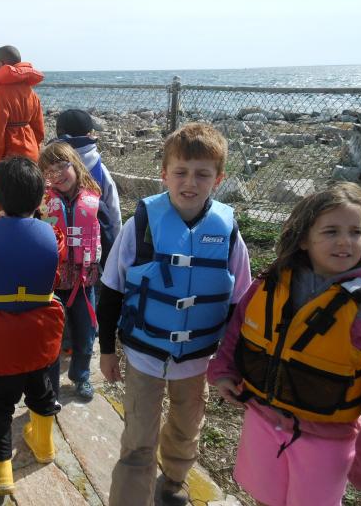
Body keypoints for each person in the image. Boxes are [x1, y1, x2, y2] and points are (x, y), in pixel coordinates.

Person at [208, 182, 361, 506]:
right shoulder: (272, 282)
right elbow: (238, 332)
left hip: (326, 440)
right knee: (264, 498)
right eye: (331, 231)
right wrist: (222, 372)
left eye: (355, 232)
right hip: (262, 422)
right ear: (304, 238)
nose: (345, 241)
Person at [97, 123, 252, 506]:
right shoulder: (141, 225)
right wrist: (106, 350)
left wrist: (231, 364)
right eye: (180, 172)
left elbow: (239, 304)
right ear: (164, 174)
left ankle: (173, 483)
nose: (190, 183)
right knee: (138, 437)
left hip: (197, 359)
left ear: (219, 179)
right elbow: (112, 289)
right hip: (144, 356)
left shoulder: (229, 231)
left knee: (186, 429)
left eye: (202, 174)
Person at [0, 157, 65, 497]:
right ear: (39, 201)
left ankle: (1, 468)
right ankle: (44, 444)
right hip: (40, 337)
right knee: (42, 389)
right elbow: (58, 254)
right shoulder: (52, 234)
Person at [39, 141, 102, 402]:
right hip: (53, 283)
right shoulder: (41, 202)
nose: (57, 175)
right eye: (49, 171)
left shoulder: (94, 198)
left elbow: (108, 233)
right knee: (52, 336)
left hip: (85, 282)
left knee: (86, 333)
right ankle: (49, 382)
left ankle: (81, 375)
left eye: (62, 166)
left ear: (75, 165)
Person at [55, 108, 122, 267]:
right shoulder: (99, 169)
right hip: (90, 252)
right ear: (90, 134)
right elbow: (114, 211)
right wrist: (116, 249)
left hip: (55, 248)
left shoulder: (48, 166)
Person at [0, 45, 45, 183]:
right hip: (31, 154)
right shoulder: (31, 92)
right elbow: (39, 131)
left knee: (9, 200)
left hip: (9, 160)